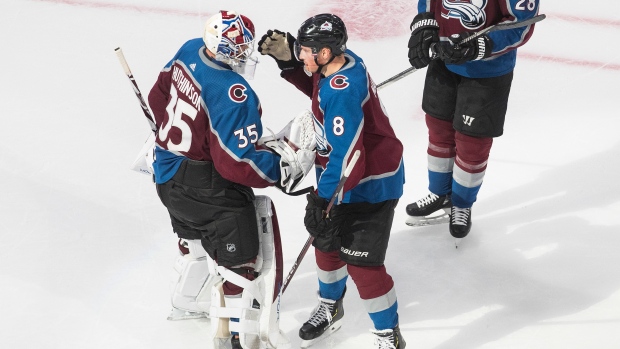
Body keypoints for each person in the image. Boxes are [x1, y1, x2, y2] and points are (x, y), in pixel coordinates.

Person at [146, 10, 312, 349]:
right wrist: (280, 166)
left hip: (165, 171)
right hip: (204, 187)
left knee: (196, 238)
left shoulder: (190, 49)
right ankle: (240, 339)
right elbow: (235, 164)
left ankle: (190, 298)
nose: (244, 55)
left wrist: (192, 138)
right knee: (244, 259)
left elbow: (157, 99)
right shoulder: (232, 90)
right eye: (239, 49)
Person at [258, 13, 407, 349]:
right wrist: (290, 65)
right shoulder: (338, 64)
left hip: (370, 184)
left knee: (362, 264)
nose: (301, 54)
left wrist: (322, 199)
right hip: (339, 182)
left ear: (324, 53)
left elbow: (348, 156)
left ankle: (388, 335)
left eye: (305, 51)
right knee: (326, 247)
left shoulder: (342, 91)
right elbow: (317, 87)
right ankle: (331, 306)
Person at [405, 0, 540, 238]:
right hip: (443, 59)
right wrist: (424, 26)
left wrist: (481, 45)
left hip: (488, 73)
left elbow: (522, 24)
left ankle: (461, 204)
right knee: (438, 131)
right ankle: (439, 193)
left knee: (472, 143)